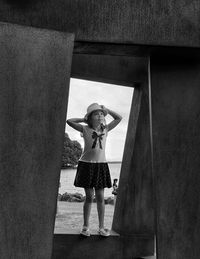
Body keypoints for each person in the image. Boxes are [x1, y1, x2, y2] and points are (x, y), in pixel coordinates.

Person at [66, 103, 122, 237]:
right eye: (96, 114)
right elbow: (69, 121)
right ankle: (85, 226)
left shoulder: (106, 129)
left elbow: (118, 118)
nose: (100, 115)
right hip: (86, 164)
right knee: (90, 197)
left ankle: (101, 227)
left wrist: (107, 110)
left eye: (101, 114)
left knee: (101, 197)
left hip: (101, 165)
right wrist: (83, 119)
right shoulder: (85, 129)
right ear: (90, 118)